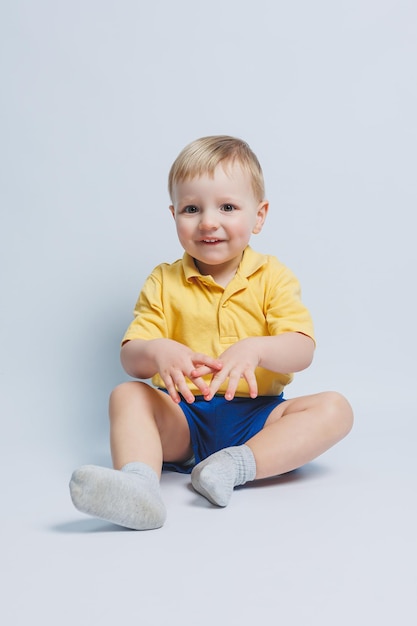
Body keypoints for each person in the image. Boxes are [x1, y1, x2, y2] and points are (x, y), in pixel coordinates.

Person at [69, 135, 353, 530]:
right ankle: (139, 487)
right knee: (126, 394)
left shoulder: (272, 277)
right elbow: (130, 357)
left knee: (335, 408)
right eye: (191, 208)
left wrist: (257, 349)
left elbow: (302, 350)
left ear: (259, 215)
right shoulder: (164, 281)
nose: (208, 221)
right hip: (183, 417)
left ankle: (231, 467)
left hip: (258, 419)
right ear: (174, 216)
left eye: (228, 207)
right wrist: (158, 351)